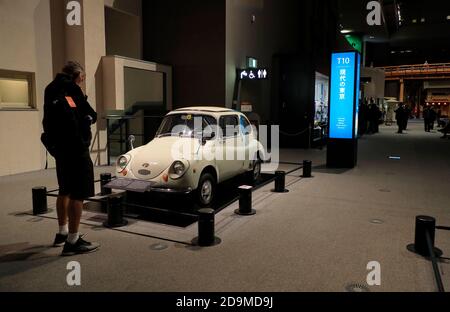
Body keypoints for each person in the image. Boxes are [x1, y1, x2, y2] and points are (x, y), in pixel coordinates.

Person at [42, 61, 100, 256]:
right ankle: (73, 241)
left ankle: (62, 232)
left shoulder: (50, 88)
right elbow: (89, 115)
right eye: (82, 79)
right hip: (76, 150)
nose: (82, 82)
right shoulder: (72, 90)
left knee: (64, 190)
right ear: (77, 76)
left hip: (60, 150)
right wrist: (87, 123)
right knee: (78, 194)